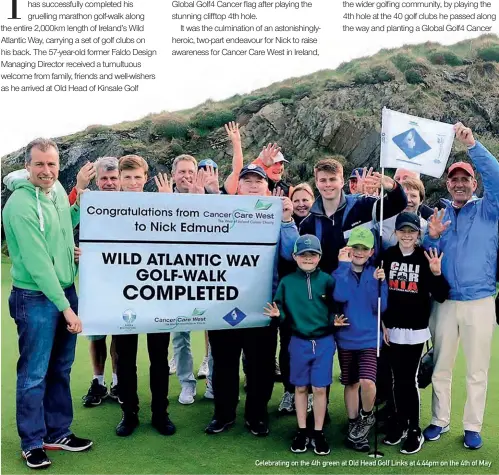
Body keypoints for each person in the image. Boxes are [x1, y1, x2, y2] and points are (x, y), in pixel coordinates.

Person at [3, 138, 92, 469]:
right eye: (39, 164)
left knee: (60, 368)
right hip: (35, 297)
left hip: (64, 289)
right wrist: (67, 308)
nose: (46, 170)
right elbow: (39, 263)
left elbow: (60, 228)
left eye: (51, 164)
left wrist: (72, 248)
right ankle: (31, 441)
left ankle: (58, 432)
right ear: (27, 166)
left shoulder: (55, 192)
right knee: (34, 373)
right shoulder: (19, 206)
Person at [205, 164, 299, 437]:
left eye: (259, 181)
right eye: (247, 181)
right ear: (239, 187)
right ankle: (223, 414)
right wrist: (211, 193)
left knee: (261, 366)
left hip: (262, 306)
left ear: (267, 187)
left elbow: (291, 252)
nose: (254, 185)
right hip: (224, 304)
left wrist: (287, 219)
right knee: (224, 364)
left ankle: (256, 416)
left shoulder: (276, 215)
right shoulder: (223, 211)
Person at [422, 123, 499, 450]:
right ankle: (440, 419)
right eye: (454, 180)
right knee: (441, 365)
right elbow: (429, 251)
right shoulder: (439, 215)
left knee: (477, 368)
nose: (460, 184)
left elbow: (496, 177)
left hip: (480, 302)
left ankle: (472, 425)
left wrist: (473, 146)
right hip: (445, 303)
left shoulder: (489, 209)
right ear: (447, 184)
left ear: (474, 183)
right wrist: (432, 236)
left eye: (465, 179)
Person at [264, 234, 348, 455]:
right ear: (294, 256)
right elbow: (281, 310)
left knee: (320, 389)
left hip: (324, 342)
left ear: (319, 257)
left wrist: (334, 321)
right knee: (300, 387)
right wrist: (277, 313)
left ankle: (318, 432)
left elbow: (335, 307)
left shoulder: (328, 280)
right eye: (303, 255)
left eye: (312, 255)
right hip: (298, 341)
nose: (308, 259)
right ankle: (302, 430)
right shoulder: (287, 282)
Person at [114, 154, 175, 437]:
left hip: (156, 294)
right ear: (120, 179)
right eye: (127, 177)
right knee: (125, 360)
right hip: (122, 296)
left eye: (138, 177)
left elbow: (177, 239)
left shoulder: (158, 203)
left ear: (145, 177)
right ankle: (129, 414)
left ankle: (160, 414)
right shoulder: (108, 208)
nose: (133, 182)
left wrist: (168, 202)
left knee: (159, 359)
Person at [382, 212, 449, 455]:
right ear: (396, 232)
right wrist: (383, 323)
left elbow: (441, 294)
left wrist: (436, 273)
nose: (407, 235)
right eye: (403, 231)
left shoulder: (424, 257)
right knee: (395, 379)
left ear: (418, 234)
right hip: (392, 329)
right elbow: (380, 295)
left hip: (415, 330)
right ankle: (400, 423)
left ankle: (413, 429)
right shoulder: (387, 257)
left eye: (412, 231)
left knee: (408, 380)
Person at [299, 157, 407, 274]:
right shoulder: (307, 224)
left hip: (363, 285)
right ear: (316, 183)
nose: (328, 184)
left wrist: (393, 186)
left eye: (332, 179)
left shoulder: (363, 205)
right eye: (323, 180)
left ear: (342, 181)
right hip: (327, 287)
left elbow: (399, 204)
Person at [332, 226, 387, 451]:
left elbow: (380, 307)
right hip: (346, 338)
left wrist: (378, 283)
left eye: (364, 249)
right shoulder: (339, 272)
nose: (359, 252)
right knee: (351, 383)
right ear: (348, 249)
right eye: (355, 247)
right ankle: (354, 422)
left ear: (371, 251)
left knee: (367, 382)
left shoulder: (376, 273)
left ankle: (366, 417)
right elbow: (340, 295)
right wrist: (343, 266)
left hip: (368, 340)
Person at [76, 157, 121, 407]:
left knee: (118, 331)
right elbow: (64, 221)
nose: (109, 183)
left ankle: (116, 381)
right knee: (96, 333)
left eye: (114, 179)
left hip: (121, 280)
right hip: (94, 278)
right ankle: (98, 382)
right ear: (97, 180)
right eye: (104, 178)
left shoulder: (130, 203)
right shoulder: (87, 200)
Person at [276, 182, 316, 415]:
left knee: (312, 345)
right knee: (288, 345)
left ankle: (311, 394)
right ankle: (290, 391)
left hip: (312, 299)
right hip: (288, 296)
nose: (301, 204)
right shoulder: (282, 222)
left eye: (305, 199)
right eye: (297, 199)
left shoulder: (317, 222)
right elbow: (288, 255)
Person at [378, 177, 428, 250]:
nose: (408, 200)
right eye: (405, 195)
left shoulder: (427, 227)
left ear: (421, 200)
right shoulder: (383, 220)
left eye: (413, 196)